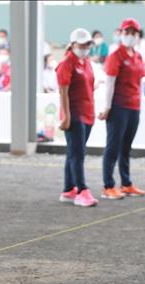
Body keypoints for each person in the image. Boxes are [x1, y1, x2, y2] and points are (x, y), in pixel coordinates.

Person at [98, 18, 145, 200]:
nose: (130, 36)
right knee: (113, 147)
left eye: (134, 33)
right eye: (127, 32)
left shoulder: (137, 56)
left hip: (134, 106)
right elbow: (109, 83)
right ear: (121, 33)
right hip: (119, 107)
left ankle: (126, 183)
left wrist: (138, 104)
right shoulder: (115, 56)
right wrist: (107, 107)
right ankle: (108, 186)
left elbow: (139, 82)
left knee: (126, 147)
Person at [57, 28, 98, 208]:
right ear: (72, 45)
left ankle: (68, 189)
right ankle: (82, 190)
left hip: (87, 113)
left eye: (87, 44)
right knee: (78, 154)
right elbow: (63, 92)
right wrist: (66, 116)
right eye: (81, 45)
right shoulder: (67, 64)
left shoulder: (86, 61)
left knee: (73, 152)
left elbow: (88, 85)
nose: (84, 47)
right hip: (74, 115)